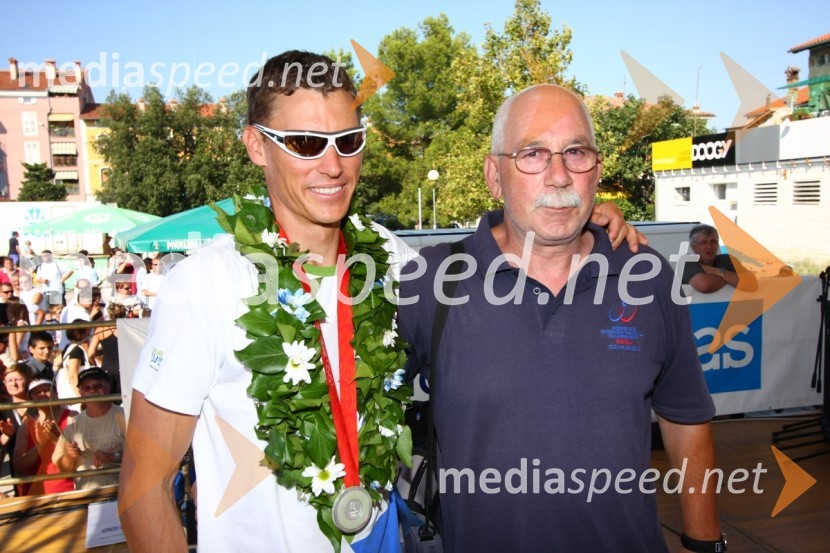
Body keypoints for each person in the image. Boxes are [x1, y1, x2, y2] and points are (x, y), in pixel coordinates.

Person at [120, 51, 640, 553]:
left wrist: (584, 220)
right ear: (256, 145)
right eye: (305, 142)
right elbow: (143, 489)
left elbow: (504, 257)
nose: (333, 165)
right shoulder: (204, 284)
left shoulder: (393, 262)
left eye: (348, 141)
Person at [398, 85, 723, 552]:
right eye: (532, 153)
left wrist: (703, 542)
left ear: (596, 170)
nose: (558, 175)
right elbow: (352, 405)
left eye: (576, 152)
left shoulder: (647, 276)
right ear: (494, 175)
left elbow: (685, 419)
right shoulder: (433, 281)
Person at [53, 367, 125, 491]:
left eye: (98, 386)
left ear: (108, 386)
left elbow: (145, 454)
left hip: (123, 492)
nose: (92, 391)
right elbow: (62, 469)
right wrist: (70, 457)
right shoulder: (73, 424)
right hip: (86, 496)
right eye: (86, 388)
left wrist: (114, 457)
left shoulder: (125, 415)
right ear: (80, 392)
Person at [12, 379, 75, 495]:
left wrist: (56, 438)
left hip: (66, 487)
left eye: (47, 390)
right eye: (37, 392)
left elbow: (79, 455)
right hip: (34, 492)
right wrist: (41, 444)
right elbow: (19, 466)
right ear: (30, 398)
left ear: (56, 393)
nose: (42, 394)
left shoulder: (72, 417)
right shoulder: (26, 427)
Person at [682, 224, 757, 294]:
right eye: (703, 243)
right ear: (694, 247)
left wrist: (718, 272)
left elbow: (752, 284)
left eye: (713, 242)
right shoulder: (688, 260)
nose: (709, 246)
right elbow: (704, 286)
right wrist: (731, 278)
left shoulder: (727, 259)